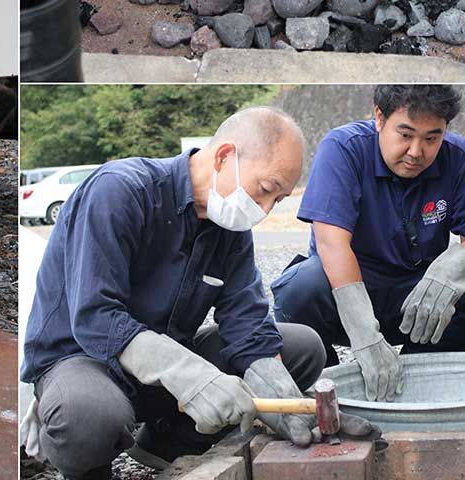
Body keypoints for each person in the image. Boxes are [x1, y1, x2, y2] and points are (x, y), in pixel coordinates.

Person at [20, 107, 378, 480]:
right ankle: (89, 465)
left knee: (303, 347)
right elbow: (95, 318)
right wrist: (195, 377)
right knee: (88, 416)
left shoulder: (231, 228)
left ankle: (166, 443)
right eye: (266, 190)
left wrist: (291, 406)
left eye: (279, 200)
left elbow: (249, 328)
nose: (266, 210)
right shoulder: (120, 191)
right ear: (225, 156)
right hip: (85, 362)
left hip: (160, 378)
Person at [271, 86, 465, 402]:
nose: (417, 151)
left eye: (432, 138)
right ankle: (332, 388)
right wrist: (364, 335)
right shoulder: (344, 149)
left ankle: (419, 371)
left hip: (422, 297)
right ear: (379, 118)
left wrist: (450, 273)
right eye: (405, 135)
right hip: (353, 289)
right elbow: (332, 244)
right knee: (300, 287)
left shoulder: (456, 157)